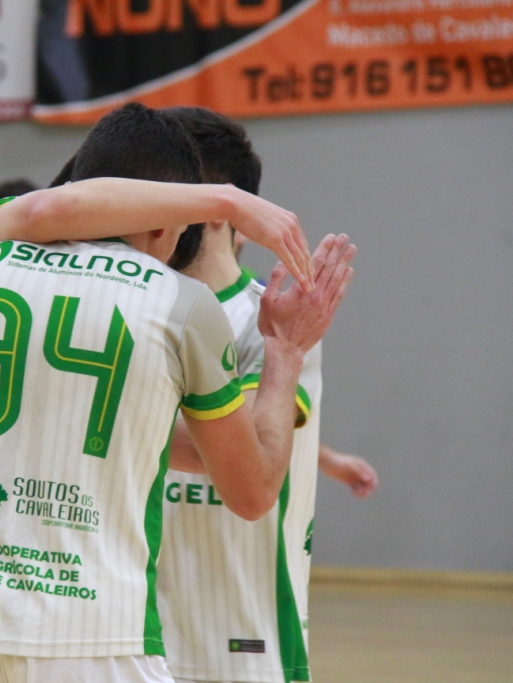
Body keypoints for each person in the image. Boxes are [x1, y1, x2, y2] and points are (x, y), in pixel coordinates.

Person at [0, 102, 354, 683]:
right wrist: (286, 350)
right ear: (165, 218)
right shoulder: (178, 305)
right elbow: (251, 488)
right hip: (93, 630)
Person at [156, 106, 373, 683]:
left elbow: (243, 445)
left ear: (215, 204)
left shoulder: (270, 318)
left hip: (241, 642)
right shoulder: (137, 304)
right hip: (134, 634)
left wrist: (100, 419)